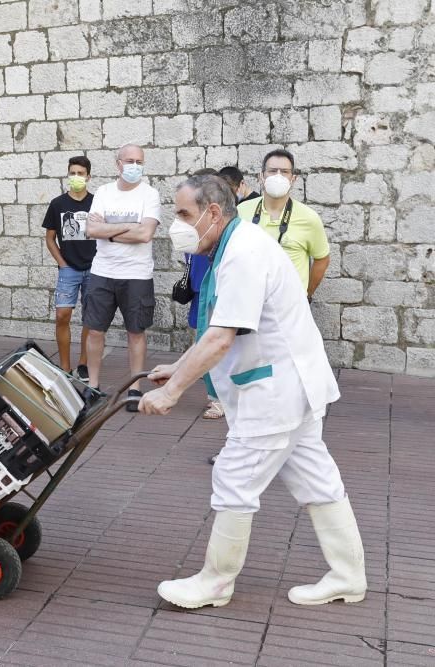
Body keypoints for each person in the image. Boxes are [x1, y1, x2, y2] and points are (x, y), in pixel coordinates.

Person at [140, 174, 366, 610]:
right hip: (290, 384)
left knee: (234, 477)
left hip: (276, 390)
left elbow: (222, 336)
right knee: (316, 478)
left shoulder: (243, 253)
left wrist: (172, 393)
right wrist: (178, 368)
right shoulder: (238, 244)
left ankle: (216, 582)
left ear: (212, 213)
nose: (177, 224)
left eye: (184, 214)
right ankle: (348, 575)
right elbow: (220, 328)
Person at [84, 144, 161, 411]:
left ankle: (134, 388)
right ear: (118, 163)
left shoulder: (150, 194)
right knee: (94, 330)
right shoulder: (104, 193)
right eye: (129, 160)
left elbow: (145, 234)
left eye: (139, 161)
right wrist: (128, 227)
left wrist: (110, 231)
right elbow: (91, 229)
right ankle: (92, 386)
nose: (134, 166)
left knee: (136, 332)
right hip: (102, 272)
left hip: (137, 274)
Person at [237, 149, 330, 300]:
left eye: (285, 172)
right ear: (261, 177)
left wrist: (306, 294)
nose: (278, 176)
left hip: (290, 307)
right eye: (272, 171)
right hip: (248, 302)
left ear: (293, 179)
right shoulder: (241, 211)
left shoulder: (309, 218)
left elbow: (322, 260)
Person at [43, 156, 95, 381]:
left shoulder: (97, 202)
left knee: (90, 319)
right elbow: (50, 237)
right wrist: (62, 263)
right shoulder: (58, 204)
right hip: (69, 269)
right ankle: (65, 366)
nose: (76, 177)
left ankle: (83, 364)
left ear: (88, 177)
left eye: (80, 173)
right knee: (62, 315)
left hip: (94, 268)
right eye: (72, 173)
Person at [184, 168, 224, 424]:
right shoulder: (194, 218)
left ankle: (218, 398)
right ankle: (213, 393)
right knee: (199, 338)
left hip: (218, 290)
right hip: (200, 287)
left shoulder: (221, 218)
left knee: (214, 342)